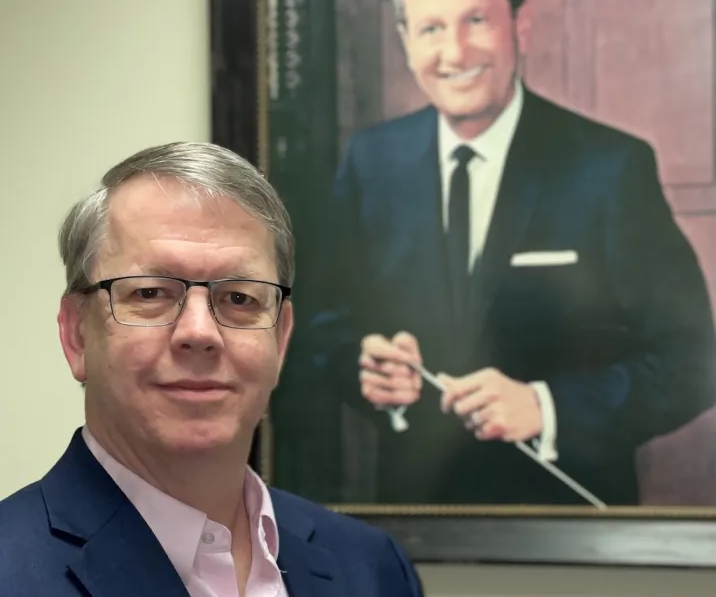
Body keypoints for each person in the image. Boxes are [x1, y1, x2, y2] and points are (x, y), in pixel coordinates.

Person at [297, 0, 716, 506]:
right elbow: (322, 323)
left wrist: (548, 409)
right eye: (431, 28)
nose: (453, 52)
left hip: (570, 529)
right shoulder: (371, 160)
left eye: (475, 20)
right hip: (414, 522)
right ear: (406, 42)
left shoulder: (612, 167)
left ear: (520, 28)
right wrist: (362, 366)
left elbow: (694, 365)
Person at [0, 142, 424, 597]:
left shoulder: (374, 570)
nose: (200, 332)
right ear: (76, 335)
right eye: (149, 293)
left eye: (239, 297)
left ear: (280, 339)